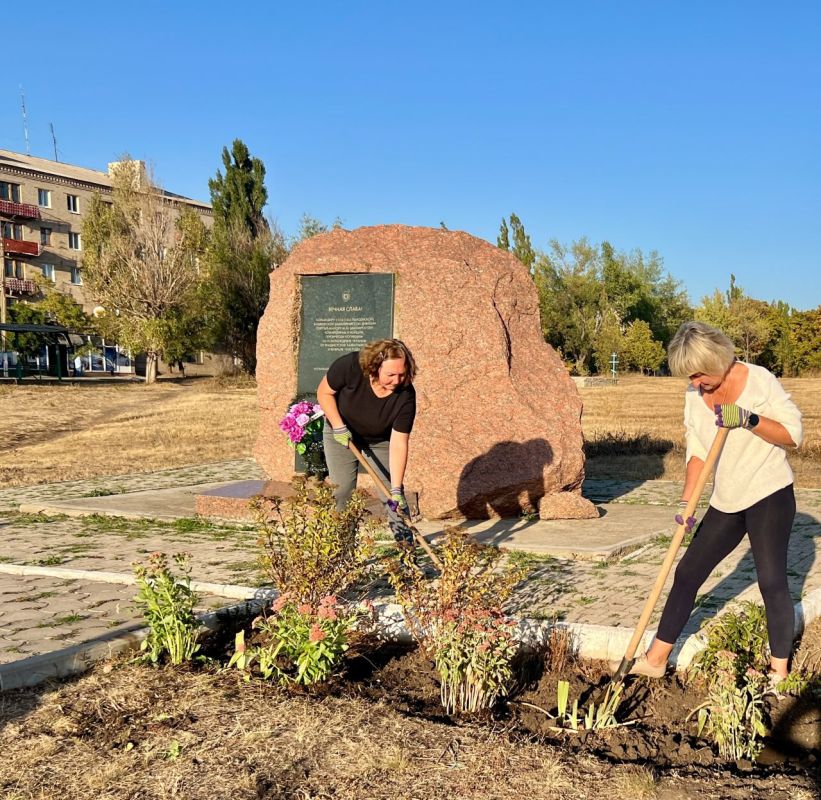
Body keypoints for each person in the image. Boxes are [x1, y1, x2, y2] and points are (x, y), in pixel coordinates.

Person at [619, 321, 803, 684]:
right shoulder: (694, 396)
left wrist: (749, 419)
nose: (695, 382)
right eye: (689, 376)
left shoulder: (760, 380)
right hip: (728, 498)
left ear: (718, 360)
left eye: (700, 373)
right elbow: (699, 453)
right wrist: (687, 503)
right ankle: (656, 657)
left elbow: (793, 434)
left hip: (769, 493)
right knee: (687, 572)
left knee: (770, 580)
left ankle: (778, 670)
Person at [316, 338, 417, 543]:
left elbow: (398, 443)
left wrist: (396, 489)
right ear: (374, 368)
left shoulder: (406, 396)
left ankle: (407, 554)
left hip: (379, 440)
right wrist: (338, 425)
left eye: (402, 374)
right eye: (390, 375)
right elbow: (324, 392)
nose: (397, 381)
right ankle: (343, 550)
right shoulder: (350, 366)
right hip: (341, 434)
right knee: (342, 490)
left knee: (393, 497)